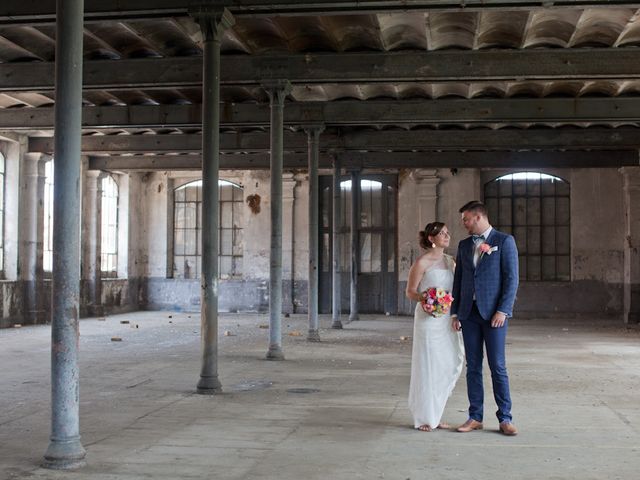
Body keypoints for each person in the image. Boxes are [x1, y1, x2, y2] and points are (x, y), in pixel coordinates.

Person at [451, 201, 519, 436]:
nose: (464, 224)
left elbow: (512, 279)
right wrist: (455, 312)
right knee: (473, 367)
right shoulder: (463, 245)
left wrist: (503, 310)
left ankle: (505, 418)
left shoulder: (504, 241)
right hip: (469, 315)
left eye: (466, 220)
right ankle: (475, 416)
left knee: (497, 366)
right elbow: (458, 280)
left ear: (479, 218)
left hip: (494, 316)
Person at [406, 222, 464, 432]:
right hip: (428, 319)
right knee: (428, 365)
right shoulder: (421, 262)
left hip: (446, 317)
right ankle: (424, 417)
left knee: (447, 363)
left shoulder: (451, 262)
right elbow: (410, 292)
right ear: (431, 238)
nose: (447, 236)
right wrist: (428, 299)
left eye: (448, 233)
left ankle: (436, 414)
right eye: (442, 233)